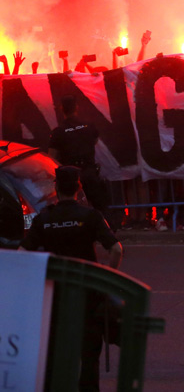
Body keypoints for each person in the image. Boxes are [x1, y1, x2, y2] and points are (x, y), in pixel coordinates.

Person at [20, 166, 124, 392]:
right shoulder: (90, 216)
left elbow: (22, 255)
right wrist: (108, 276)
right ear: (79, 187)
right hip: (89, 295)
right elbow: (116, 249)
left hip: (55, 298)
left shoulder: (44, 218)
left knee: (53, 353)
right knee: (88, 357)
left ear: (56, 188)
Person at [48, 95, 114, 228]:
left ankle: (76, 231)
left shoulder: (58, 132)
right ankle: (108, 232)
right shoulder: (88, 126)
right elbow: (94, 141)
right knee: (99, 206)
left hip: (71, 177)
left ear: (62, 109)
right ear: (76, 107)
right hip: (89, 172)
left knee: (71, 208)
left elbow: (52, 157)